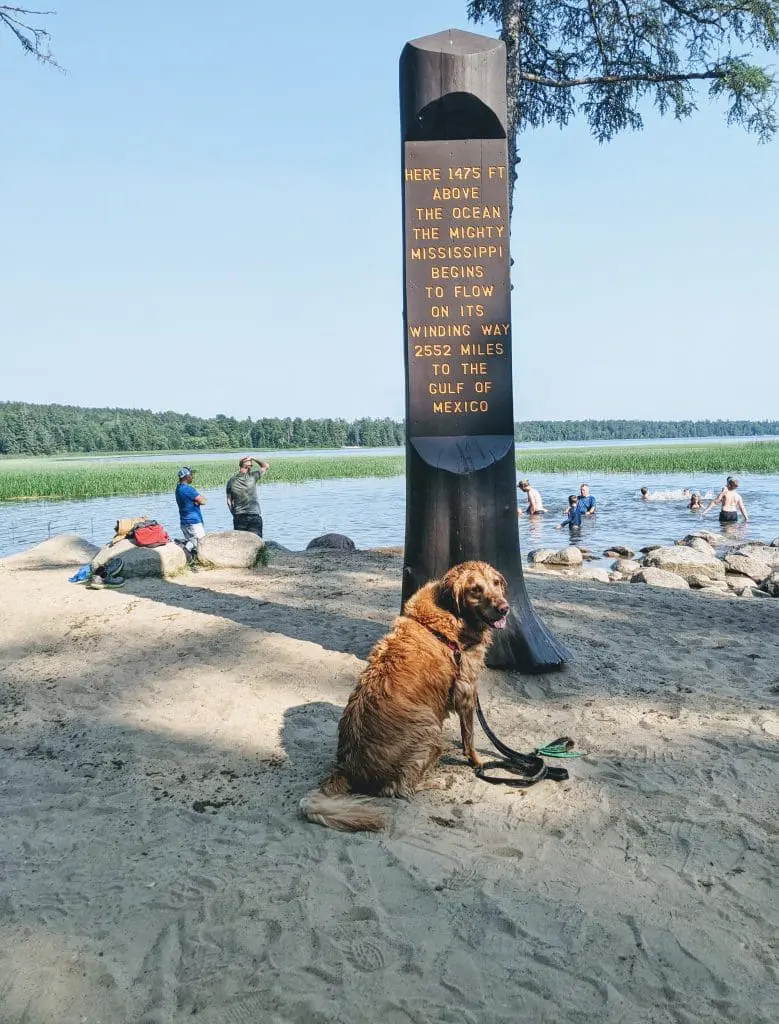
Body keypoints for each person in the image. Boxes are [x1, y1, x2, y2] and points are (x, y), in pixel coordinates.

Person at [226, 455, 270, 536]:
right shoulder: (252, 477)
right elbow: (266, 466)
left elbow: (229, 502)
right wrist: (254, 458)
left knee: (240, 543)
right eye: (251, 465)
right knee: (257, 543)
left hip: (239, 517)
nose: (251, 467)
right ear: (248, 467)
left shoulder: (231, 481)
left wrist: (235, 515)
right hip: (254, 516)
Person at [175, 467, 207, 552]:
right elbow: (203, 501)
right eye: (191, 475)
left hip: (185, 522)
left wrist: (196, 501)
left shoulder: (178, 488)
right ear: (187, 476)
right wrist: (197, 501)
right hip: (193, 522)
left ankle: (188, 558)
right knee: (200, 546)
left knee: (192, 545)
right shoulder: (188, 489)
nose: (193, 477)